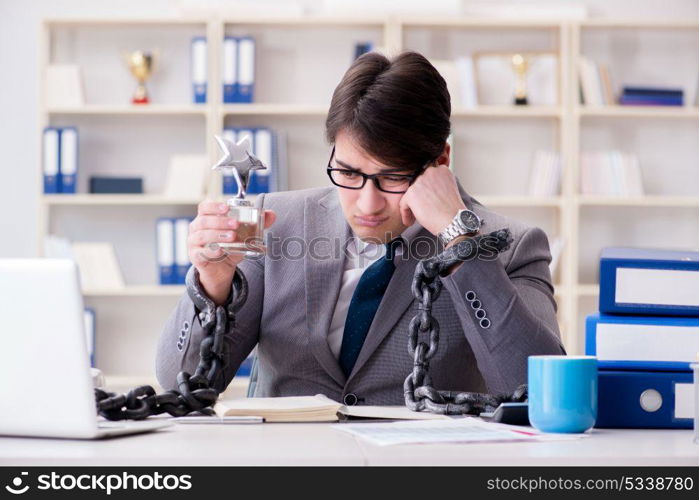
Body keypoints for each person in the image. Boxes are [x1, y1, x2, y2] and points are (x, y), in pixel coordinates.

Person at [156, 51, 565, 406]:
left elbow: (541, 391)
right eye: (349, 172)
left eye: (393, 177)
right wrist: (212, 285)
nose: (367, 204)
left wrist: (459, 240)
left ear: (441, 160)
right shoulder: (274, 223)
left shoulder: (511, 246)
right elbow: (185, 384)